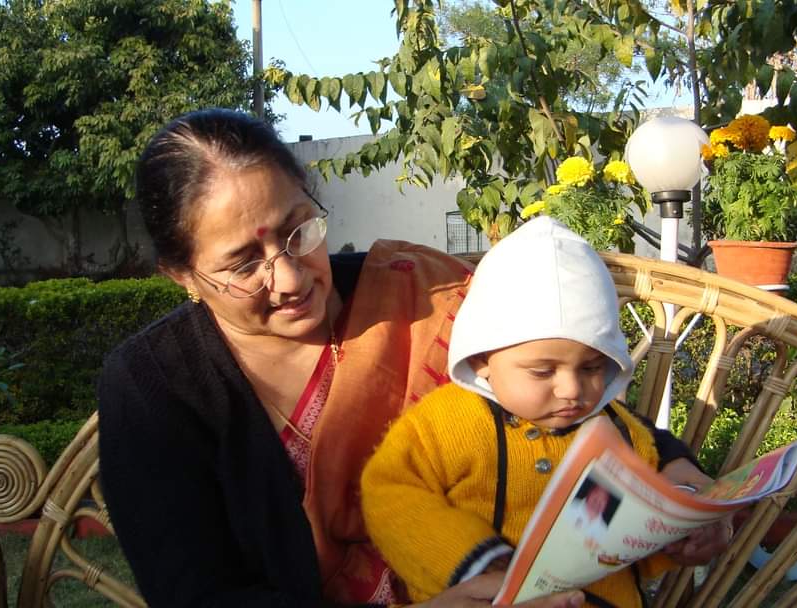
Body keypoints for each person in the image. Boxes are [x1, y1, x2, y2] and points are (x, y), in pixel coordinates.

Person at [97, 109, 590, 607]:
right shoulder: (153, 385)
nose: (291, 279)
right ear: (181, 274)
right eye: (244, 265)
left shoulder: (424, 297)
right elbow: (197, 596)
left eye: (299, 231)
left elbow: (580, 427)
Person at [361, 218, 731, 607]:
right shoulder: (447, 423)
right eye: (542, 371)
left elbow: (642, 517)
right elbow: (390, 492)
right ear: (482, 358)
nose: (572, 389)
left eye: (592, 367)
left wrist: (680, 534)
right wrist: (473, 560)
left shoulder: (620, 432)